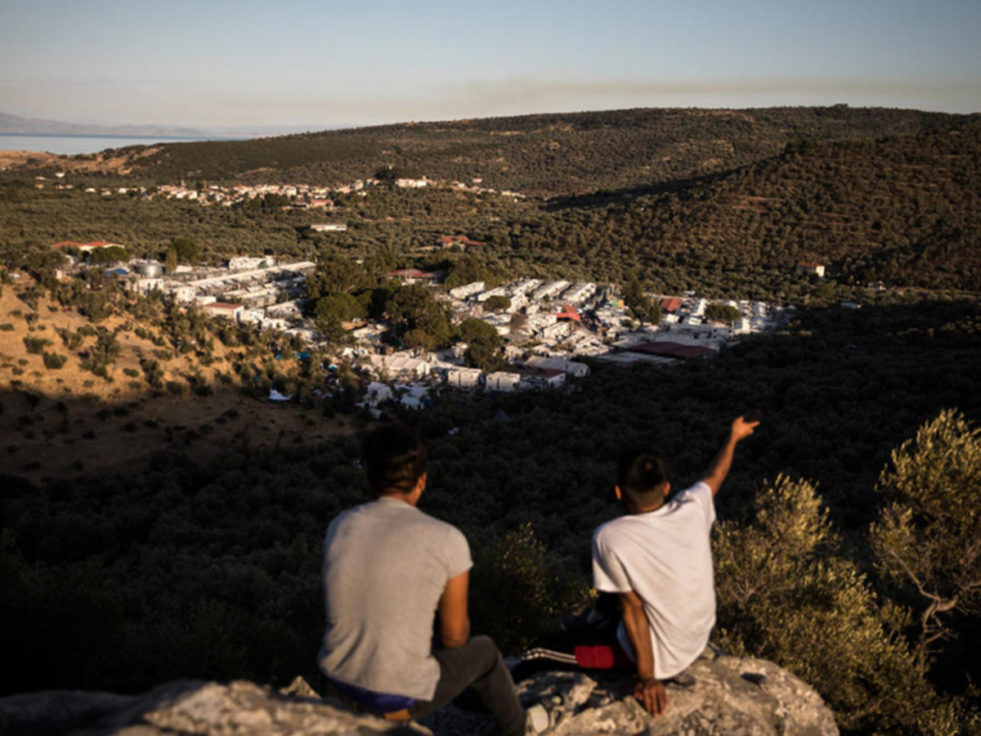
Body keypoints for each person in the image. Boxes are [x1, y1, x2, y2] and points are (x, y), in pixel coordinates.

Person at [512, 415, 759, 718]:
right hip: (697, 637)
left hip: (661, 657)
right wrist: (733, 438)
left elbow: (633, 610)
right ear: (667, 487)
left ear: (618, 491)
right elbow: (715, 475)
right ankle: (595, 621)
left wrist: (648, 678)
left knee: (538, 652)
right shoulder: (692, 506)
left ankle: (494, 705)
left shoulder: (610, 536)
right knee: (612, 596)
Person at [318, 423, 526, 736]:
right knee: (483, 651)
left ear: (369, 478)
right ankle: (519, 730)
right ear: (422, 481)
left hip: (337, 685)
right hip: (395, 700)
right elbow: (455, 637)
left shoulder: (339, 527)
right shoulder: (447, 539)